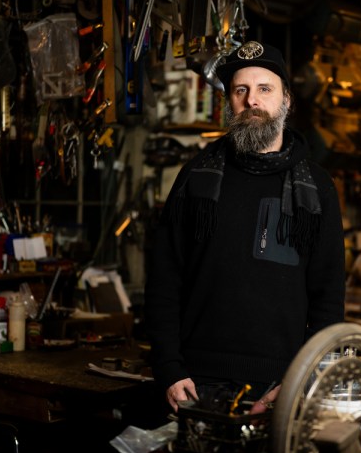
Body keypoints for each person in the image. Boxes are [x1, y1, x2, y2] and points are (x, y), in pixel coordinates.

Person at [144, 40, 346, 414]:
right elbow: (163, 280)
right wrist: (169, 368)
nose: (252, 100)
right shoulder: (196, 177)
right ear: (230, 102)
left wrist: (303, 380)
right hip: (195, 383)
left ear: (287, 100)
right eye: (241, 90)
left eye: (264, 89)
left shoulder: (317, 188)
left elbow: (328, 299)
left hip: (281, 386)